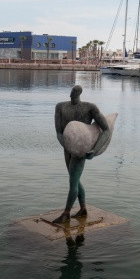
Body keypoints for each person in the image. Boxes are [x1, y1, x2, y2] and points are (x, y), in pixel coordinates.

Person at [52, 85, 110, 224]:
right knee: (75, 179)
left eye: (74, 91)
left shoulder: (90, 107)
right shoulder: (60, 107)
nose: (72, 92)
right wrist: (66, 145)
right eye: (72, 90)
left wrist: (94, 150)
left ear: (77, 93)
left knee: (73, 182)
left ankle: (66, 213)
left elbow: (106, 129)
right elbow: (59, 132)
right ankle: (83, 209)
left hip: (81, 150)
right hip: (68, 148)